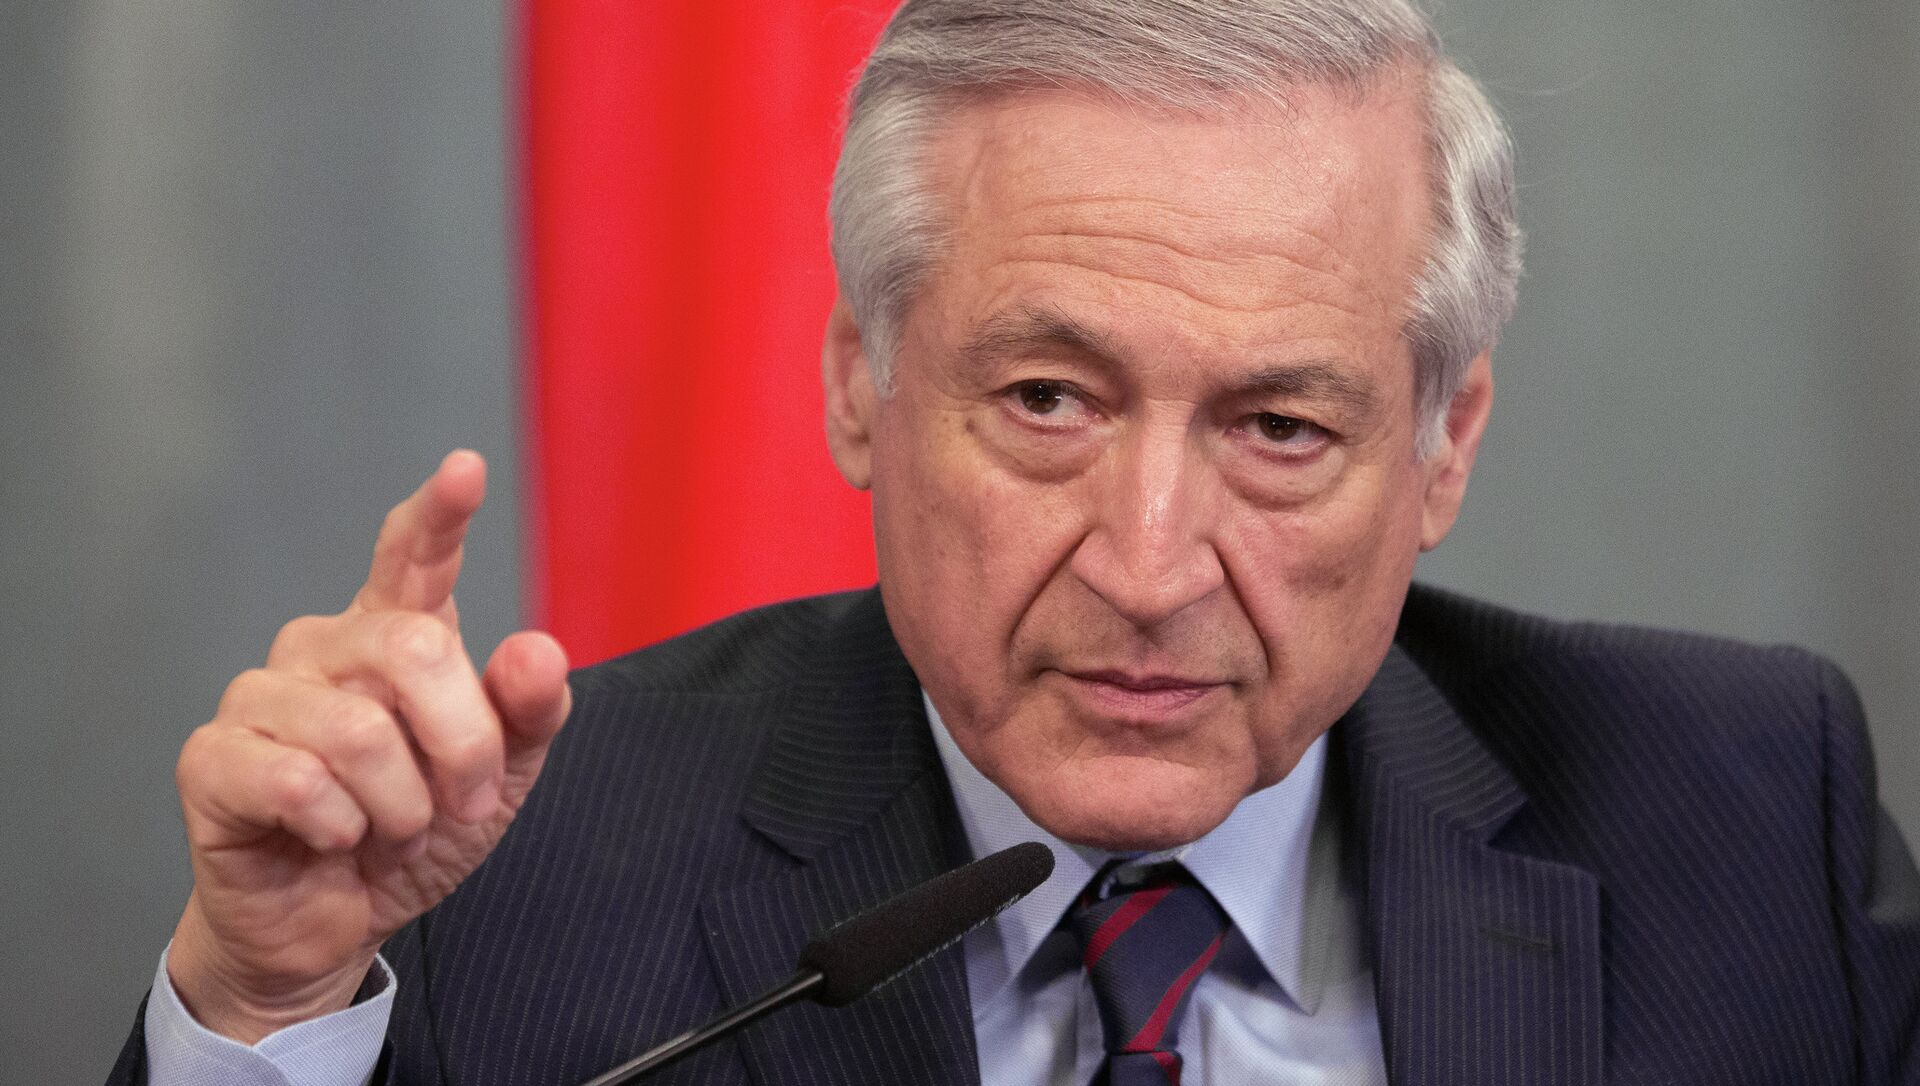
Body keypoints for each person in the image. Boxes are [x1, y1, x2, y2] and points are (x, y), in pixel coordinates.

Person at [112, 1, 1920, 1083]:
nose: (1149, 564)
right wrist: (271, 1003)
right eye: (1049, 400)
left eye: (1280, 431)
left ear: (1442, 447)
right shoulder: (504, 870)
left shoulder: (1750, 824)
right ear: (860, 384)